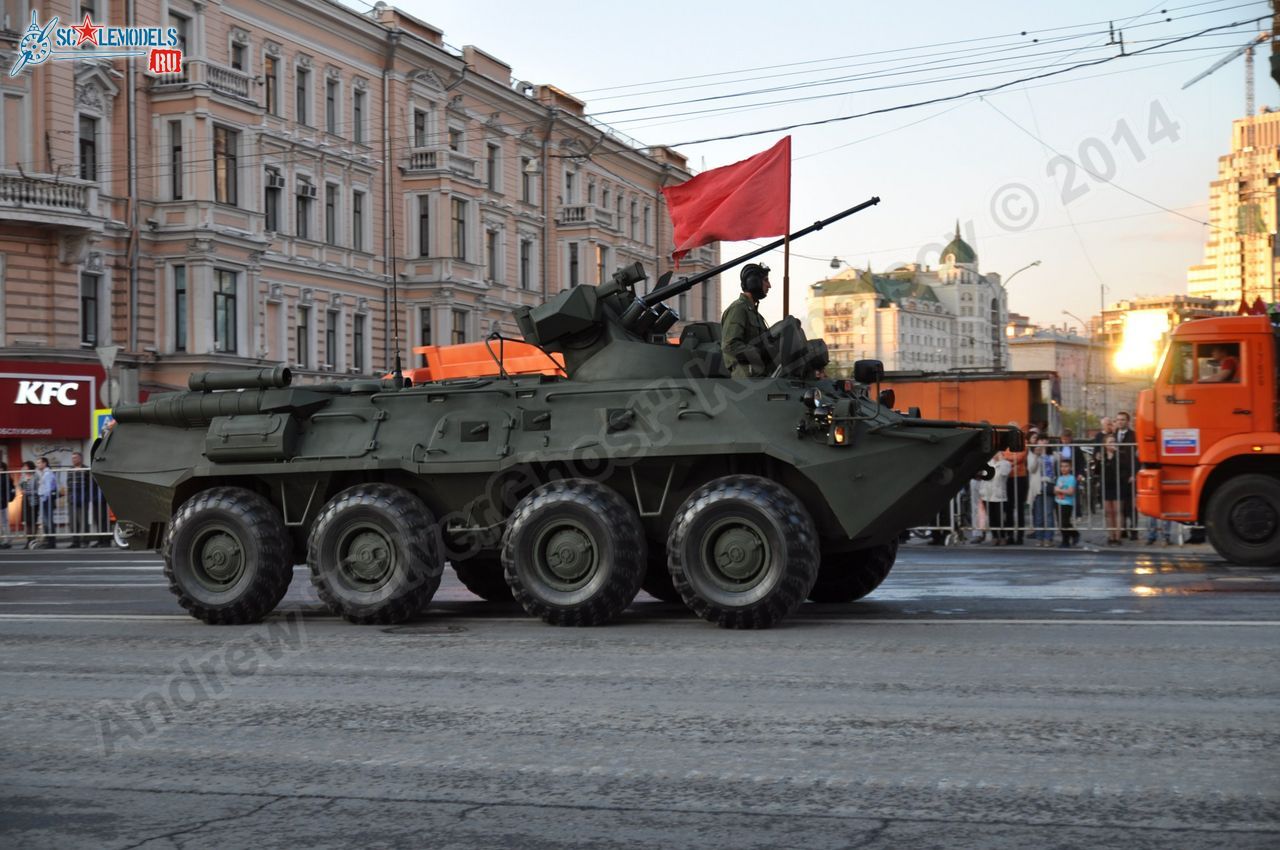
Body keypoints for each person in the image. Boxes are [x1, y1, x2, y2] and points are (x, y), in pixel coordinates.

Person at [720, 263, 774, 379]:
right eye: (765, 280)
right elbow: (730, 345)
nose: (769, 285)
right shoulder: (738, 309)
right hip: (746, 379)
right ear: (753, 282)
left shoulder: (755, 314)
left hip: (759, 376)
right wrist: (759, 352)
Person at [1001, 423, 1029, 544]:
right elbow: (1003, 455)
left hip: (1020, 477)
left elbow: (1021, 456)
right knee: (1008, 508)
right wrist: (1012, 459)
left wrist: (1008, 460)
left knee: (1020, 508)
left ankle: (1020, 536)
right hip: (1008, 477)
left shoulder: (1024, 442)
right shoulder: (1004, 443)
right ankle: (1010, 535)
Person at [1028, 436, 1056, 547]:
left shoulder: (1053, 455)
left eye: (1045, 440)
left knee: (1049, 513)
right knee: (1039, 514)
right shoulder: (1032, 455)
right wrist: (1036, 455)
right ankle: (1039, 538)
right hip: (1038, 487)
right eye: (1041, 440)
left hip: (1049, 485)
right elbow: (1031, 469)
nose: (1043, 442)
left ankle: (1048, 538)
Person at [1113, 411, 1137, 540]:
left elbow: (1138, 457)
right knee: (1119, 505)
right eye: (1118, 420)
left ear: (1127, 421)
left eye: (1122, 419)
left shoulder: (1134, 436)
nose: (1120, 422)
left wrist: (1134, 473)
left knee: (1131, 505)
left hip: (1129, 474)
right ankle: (1122, 529)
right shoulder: (1113, 435)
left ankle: (1134, 530)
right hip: (1117, 475)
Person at [1098, 434, 1124, 544]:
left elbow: (1122, 468)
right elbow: (1097, 472)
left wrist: (1116, 453)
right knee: (1108, 512)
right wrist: (1098, 461)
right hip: (1106, 485)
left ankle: (1118, 537)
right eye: (1109, 442)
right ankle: (1111, 536)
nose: (1112, 444)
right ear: (1105, 444)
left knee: (1117, 511)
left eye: (1114, 441)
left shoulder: (1120, 455)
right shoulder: (1101, 456)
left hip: (1118, 485)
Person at [981, 452, 1011, 545]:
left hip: (999, 495)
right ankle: (994, 536)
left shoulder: (1006, 463)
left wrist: (1001, 460)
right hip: (987, 494)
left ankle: (1002, 536)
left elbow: (1004, 473)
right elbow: (985, 476)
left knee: (1000, 517)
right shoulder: (988, 463)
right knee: (991, 517)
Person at [64, 452, 92, 548]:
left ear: (81, 458)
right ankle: (75, 541)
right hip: (72, 499)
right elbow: (68, 484)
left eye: (75, 458)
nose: (73, 459)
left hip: (83, 498)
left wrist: (87, 496)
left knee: (83, 520)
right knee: (73, 521)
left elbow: (89, 484)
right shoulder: (70, 470)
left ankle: (85, 541)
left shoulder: (86, 469)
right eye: (72, 458)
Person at [1054, 457, 1079, 548]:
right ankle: (1070, 537)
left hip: (1067, 503)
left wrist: (1060, 490)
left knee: (1065, 522)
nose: (1063, 468)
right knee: (1060, 522)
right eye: (1062, 466)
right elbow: (1055, 490)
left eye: (1066, 466)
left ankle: (1068, 538)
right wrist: (1059, 490)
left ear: (1070, 468)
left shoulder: (1071, 478)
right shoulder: (1059, 478)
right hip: (1058, 501)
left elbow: (1070, 492)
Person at [35, 456, 57, 548]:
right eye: (37, 463)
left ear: (45, 463)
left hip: (46, 499)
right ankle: (49, 541)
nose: (38, 465)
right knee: (45, 521)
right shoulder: (43, 473)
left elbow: (48, 488)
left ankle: (51, 542)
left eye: (39, 463)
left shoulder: (48, 473)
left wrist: (44, 499)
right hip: (44, 499)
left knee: (48, 521)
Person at [19, 461, 38, 548]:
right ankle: (28, 541)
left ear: (30, 467)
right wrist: (21, 490)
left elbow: (38, 490)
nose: (24, 468)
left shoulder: (36, 476)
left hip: (33, 501)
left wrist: (28, 492)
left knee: (33, 521)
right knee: (26, 522)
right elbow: (20, 485)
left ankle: (33, 540)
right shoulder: (23, 476)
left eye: (25, 466)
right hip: (25, 501)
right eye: (24, 466)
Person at [0, 459, 11, 549]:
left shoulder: (4, 477)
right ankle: (6, 540)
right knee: (4, 522)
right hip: (3, 502)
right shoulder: (6, 477)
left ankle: (6, 540)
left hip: (2, 503)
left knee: (4, 522)